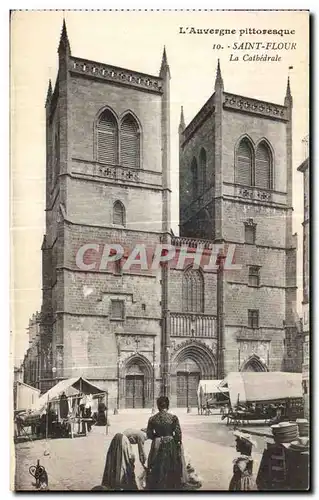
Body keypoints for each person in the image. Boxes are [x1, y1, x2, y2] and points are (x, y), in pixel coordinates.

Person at [145, 396, 183, 490]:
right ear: (168, 406)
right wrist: (175, 442)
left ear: (158, 406)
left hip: (157, 444)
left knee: (156, 465)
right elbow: (178, 434)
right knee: (171, 464)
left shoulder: (152, 419)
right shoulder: (173, 418)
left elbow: (149, 434)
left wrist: (157, 437)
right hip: (170, 443)